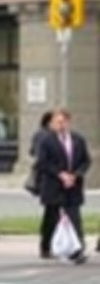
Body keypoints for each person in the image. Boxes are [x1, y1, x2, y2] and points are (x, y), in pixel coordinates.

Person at [35, 108, 92, 262]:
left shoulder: (78, 140)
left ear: (68, 122)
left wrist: (75, 175)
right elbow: (42, 163)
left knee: (74, 217)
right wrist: (60, 174)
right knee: (51, 217)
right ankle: (46, 245)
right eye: (57, 122)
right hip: (54, 184)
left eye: (63, 122)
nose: (60, 125)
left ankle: (77, 250)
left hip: (73, 186)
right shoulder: (46, 141)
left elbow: (86, 161)